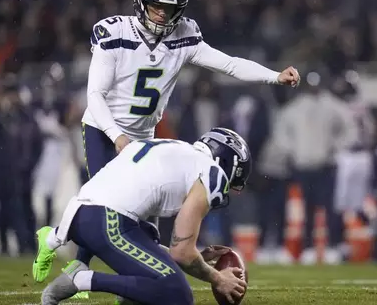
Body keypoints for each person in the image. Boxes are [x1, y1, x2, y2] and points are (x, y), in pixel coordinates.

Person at [57, 0, 299, 299]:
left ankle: (124, 285)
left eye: (169, 9)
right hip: (104, 128)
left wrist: (273, 75)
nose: (161, 15)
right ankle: (80, 271)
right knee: (112, 211)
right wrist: (117, 137)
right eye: (156, 6)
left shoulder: (184, 36)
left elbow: (228, 63)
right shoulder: (114, 33)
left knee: (144, 229)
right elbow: (94, 95)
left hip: (144, 136)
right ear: (140, 1)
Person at [33, 127, 250, 305]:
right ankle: (81, 279)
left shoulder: (174, 149)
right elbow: (182, 252)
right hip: (107, 220)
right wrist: (218, 278)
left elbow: (167, 249)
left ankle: (124, 293)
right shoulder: (212, 173)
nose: (231, 187)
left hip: (82, 217)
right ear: (227, 162)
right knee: (177, 293)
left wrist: (198, 257)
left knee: (152, 241)